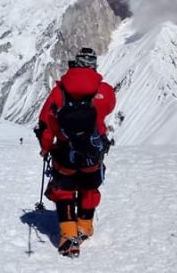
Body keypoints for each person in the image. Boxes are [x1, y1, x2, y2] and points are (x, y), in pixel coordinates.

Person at [33, 47, 116, 257]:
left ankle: (68, 236)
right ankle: (85, 226)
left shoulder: (59, 92)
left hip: (64, 153)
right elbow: (107, 108)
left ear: (75, 64)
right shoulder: (104, 91)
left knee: (65, 192)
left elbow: (46, 123)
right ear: (94, 66)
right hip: (92, 154)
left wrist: (45, 148)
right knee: (89, 188)